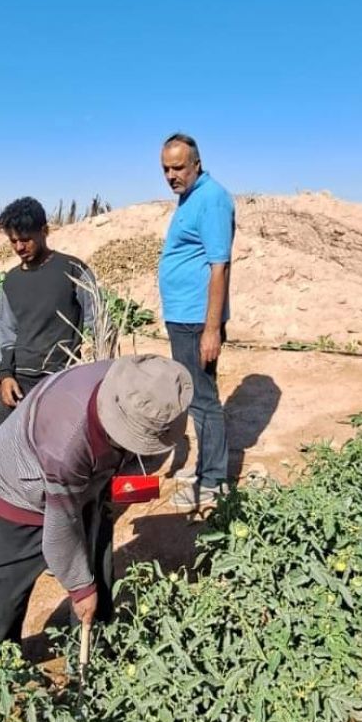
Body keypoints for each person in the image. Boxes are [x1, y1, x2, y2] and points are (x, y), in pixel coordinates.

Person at [0, 354, 193, 646]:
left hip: (85, 481)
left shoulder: (133, 384)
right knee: (3, 592)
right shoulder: (65, 445)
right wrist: (79, 588)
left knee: (95, 565)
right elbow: (60, 530)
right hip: (14, 492)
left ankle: (93, 650)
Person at [158, 133, 235, 514]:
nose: (172, 175)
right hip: (182, 317)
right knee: (194, 396)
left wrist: (211, 329)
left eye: (178, 167)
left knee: (203, 400)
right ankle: (207, 469)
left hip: (195, 319)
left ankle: (214, 481)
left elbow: (219, 266)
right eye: (166, 169)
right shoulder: (190, 198)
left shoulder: (212, 198)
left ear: (196, 164)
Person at [0, 196, 97, 431]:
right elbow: (7, 333)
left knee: (55, 451)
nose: (19, 247)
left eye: (26, 240)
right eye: (13, 241)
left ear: (44, 231)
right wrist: (6, 376)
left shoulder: (74, 270)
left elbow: (98, 322)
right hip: (20, 381)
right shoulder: (11, 281)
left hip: (60, 379)